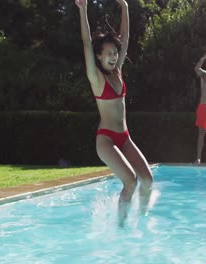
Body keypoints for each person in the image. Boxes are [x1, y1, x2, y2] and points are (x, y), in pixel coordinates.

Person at [75, 0, 153, 226]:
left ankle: (142, 219)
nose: (113, 56)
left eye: (115, 53)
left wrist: (125, 7)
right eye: (108, 53)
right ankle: (121, 228)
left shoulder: (118, 72)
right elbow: (86, 44)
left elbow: (125, 38)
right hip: (107, 139)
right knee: (130, 182)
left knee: (147, 180)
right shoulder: (96, 78)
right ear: (99, 56)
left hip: (125, 137)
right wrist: (83, 10)